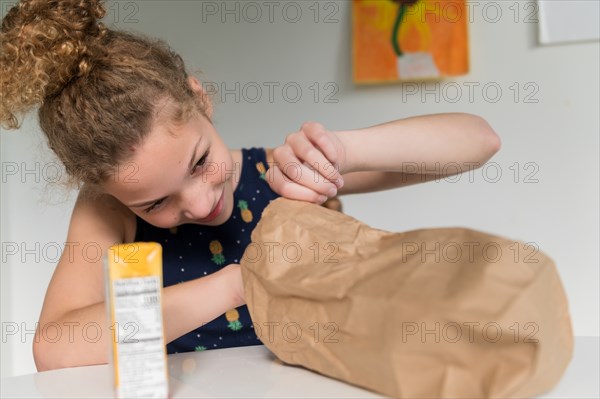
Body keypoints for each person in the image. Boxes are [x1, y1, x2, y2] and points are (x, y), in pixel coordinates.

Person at [0, 0, 501, 371]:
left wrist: (344, 152)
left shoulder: (280, 175)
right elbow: (54, 348)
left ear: (199, 99)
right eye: (155, 202)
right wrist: (241, 280)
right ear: (107, 189)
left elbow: (479, 140)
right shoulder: (108, 210)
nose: (198, 202)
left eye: (199, 162)